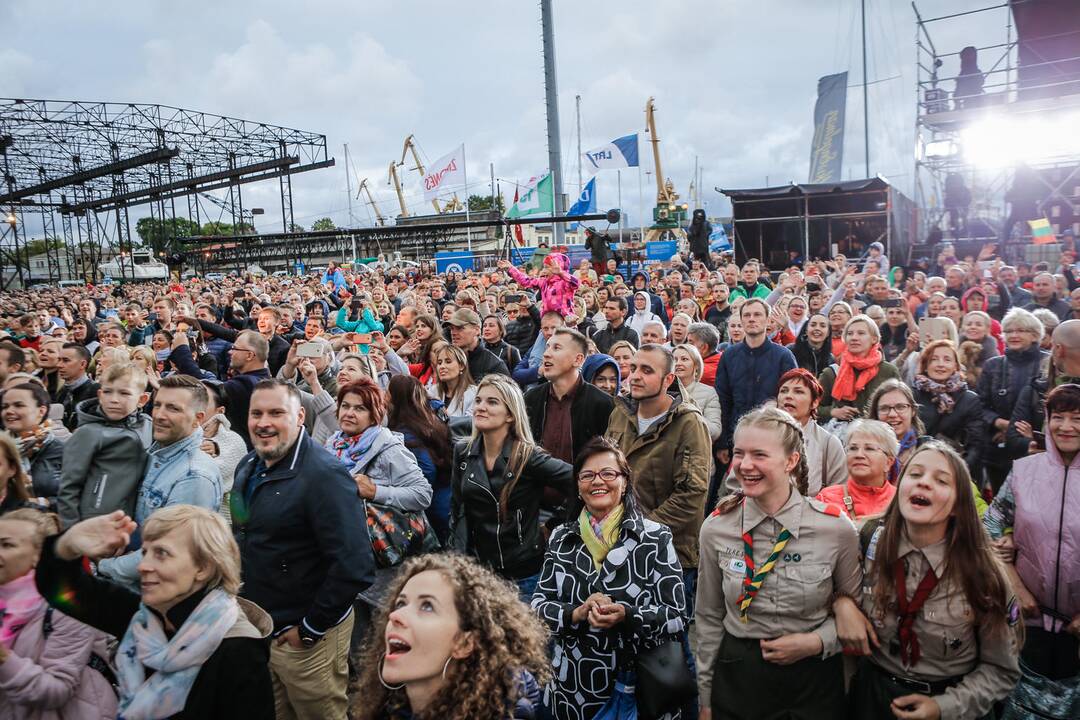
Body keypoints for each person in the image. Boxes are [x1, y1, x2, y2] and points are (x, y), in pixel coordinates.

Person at [695, 406, 861, 720]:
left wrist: (816, 642)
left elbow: (857, 612)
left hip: (813, 679)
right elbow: (708, 617)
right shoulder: (717, 529)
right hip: (739, 676)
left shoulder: (836, 529)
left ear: (791, 461)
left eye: (759, 455)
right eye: (739, 453)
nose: (745, 465)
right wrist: (706, 698)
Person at [835, 442, 1020, 719]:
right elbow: (820, 579)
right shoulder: (866, 539)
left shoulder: (983, 572)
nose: (924, 483)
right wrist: (841, 603)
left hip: (952, 701)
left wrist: (942, 707)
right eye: (915, 474)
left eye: (941, 480)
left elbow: (1001, 670)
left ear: (958, 505)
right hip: (873, 697)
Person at [36, 506, 275, 719]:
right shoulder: (145, 618)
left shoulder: (238, 647)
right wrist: (68, 544)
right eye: (145, 552)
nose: (142, 566)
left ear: (203, 567)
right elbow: (63, 591)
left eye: (161, 554)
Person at [230, 378, 375, 720]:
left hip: (306, 640)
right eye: (257, 413)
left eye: (276, 413)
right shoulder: (247, 467)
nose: (264, 422)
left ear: (299, 418)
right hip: (262, 628)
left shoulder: (325, 476)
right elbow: (243, 531)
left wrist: (309, 629)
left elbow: (355, 565)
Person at [532, 437, 686, 719]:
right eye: (587, 475)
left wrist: (626, 614)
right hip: (574, 689)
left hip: (639, 686)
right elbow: (539, 606)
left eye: (608, 473)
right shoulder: (562, 537)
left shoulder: (655, 538)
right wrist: (575, 613)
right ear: (578, 486)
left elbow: (676, 615)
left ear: (625, 481)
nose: (597, 481)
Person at [351, 553, 547, 720]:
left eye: (427, 606)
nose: (395, 616)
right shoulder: (385, 708)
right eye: (400, 603)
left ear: (464, 643)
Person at [985, 383, 1080, 706]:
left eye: (1077, 418)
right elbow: (991, 524)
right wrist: (1016, 587)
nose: (1066, 427)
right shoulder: (1025, 472)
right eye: (1059, 417)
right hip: (1027, 620)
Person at [449, 374, 573, 597]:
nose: (481, 407)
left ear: (510, 415)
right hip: (478, 570)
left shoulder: (529, 456)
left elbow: (580, 482)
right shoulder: (463, 451)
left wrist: (554, 524)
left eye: (492, 402)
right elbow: (458, 508)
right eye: (478, 401)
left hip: (523, 573)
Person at [94, 374, 223, 588]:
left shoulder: (195, 476)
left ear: (198, 418)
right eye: (158, 405)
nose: (159, 415)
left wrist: (105, 566)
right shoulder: (154, 452)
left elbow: (168, 551)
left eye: (173, 408)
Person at [0, 508, 117, 719]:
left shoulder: (67, 605)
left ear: (39, 556)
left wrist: (3, 658)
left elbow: (56, 691)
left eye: (7, 545)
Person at [56, 363, 152, 528]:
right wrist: (71, 530)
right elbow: (68, 487)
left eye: (124, 393)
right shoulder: (87, 433)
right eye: (108, 392)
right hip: (95, 520)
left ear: (142, 400)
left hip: (132, 521)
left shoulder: (148, 425)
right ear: (100, 395)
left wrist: (213, 444)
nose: (114, 399)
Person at [326, 377, 432, 513]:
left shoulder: (389, 449)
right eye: (345, 406)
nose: (349, 413)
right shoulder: (332, 444)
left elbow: (423, 494)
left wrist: (374, 491)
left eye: (360, 409)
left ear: (373, 416)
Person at [715, 298, 797, 464]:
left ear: (767, 320)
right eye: (747, 315)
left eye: (757, 314)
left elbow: (793, 398)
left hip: (773, 436)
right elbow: (722, 399)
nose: (752, 319)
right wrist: (722, 442)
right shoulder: (729, 356)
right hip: (736, 437)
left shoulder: (783, 356)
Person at [976, 307, 1047, 492]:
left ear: (1035, 335)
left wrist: (1034, 433)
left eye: (1020, 330)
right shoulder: (992, 365)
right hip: (998, 448)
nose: (1014, 335)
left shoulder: (1048, 364)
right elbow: (979, 406)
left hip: (1037, 448)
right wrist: (1000, 423)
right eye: (1009, 331)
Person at [523, 327, 614, 466]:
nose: (546, 354)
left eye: (556, 348)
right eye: (547, 347)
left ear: (578, 359)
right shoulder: (531, 399)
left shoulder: (602, 404)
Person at [386, 374, 453, 540]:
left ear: (397, 399)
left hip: (433, 512)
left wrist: (409, 492)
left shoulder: (407, 433)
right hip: (444, 501)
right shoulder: (426, 421)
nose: (383, 396)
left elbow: (427, 470)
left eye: (387, 392)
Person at [817, 315, 901, 431]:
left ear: (874, 339)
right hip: (843, 440)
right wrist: (833, 412)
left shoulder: (889, 371)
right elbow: (812, 407)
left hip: (880, 435)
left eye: (861, 333)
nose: (854, 338)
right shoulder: (831, 373)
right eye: (850, 334)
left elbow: (900, 407)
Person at [913, 339, 984, 470]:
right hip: (917, 463)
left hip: (954, 467)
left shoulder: (969, 399)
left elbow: (976, 446)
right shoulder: (913, 395)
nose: (941, 364)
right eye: (934, 359)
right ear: (925, 366)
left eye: (947, 360)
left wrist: (959, 471)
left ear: (956, 366)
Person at [776, 368, 846, 496]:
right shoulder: (760, 436)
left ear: (814, 403)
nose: (788, 396)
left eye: (798, 391)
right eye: (783, 391)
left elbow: (839, 494)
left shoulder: (829, 443)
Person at [816, 419, 899, 524]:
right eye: (853, 448)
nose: (859, 455)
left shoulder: (901, 501)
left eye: (869, 449)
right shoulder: (827, 499)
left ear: (888, 462)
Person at [2, 382, 65, 505]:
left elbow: (77, 496)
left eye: (19, 405)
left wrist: (42, 503)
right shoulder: (2, 448)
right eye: (4, 406)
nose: (9, 411)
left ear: (41, 411)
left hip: (47, 520)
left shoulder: (63, 451)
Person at [499, 254, 580, 318]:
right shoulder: (543, 282)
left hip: (565, 321)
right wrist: (510, 268)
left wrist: (561, 273)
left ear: (560, 267)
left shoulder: (565, 282)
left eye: (548, 267)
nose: (544, 271)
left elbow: (576, 283)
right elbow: (525, 281)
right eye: (543, 267)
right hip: (547, 321)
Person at [673, 343, 723, 441]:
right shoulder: (662, 390)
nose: (678, 363)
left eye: (684, 359)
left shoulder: (709, 393)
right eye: (674, 360)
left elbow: (715, 431)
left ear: (696, 365)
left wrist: (690, 416)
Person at [55, 343, 98, 432]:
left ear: (82, 364)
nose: (59, 365)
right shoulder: (62, 391)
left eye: (66, 360)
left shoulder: (95, 392)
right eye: (59, 360)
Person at [427, 343, 477, 419]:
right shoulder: (433, 391)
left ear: (461, 366)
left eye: (448, 361)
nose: (442, 366)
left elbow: (468, 425)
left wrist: (444, 415)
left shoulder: (474, 393)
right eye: (439, 363)